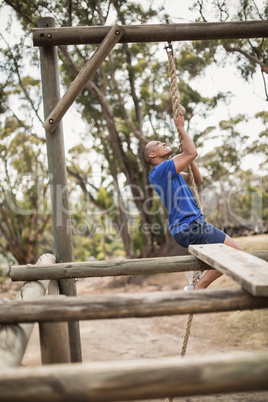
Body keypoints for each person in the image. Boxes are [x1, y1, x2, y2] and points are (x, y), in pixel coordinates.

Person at [142, 114, 242, 290]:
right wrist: (181, 127)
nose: (164, 143)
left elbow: (197, 179)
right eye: (159, 144)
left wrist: (188, 159)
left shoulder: (171, 172)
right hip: (190, 226)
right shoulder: (160, 171)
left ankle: (198, 284)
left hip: (188, 227)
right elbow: (192, 152)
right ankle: (198, 287)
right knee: (235, 252)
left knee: (226, 254)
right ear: (152, 154)